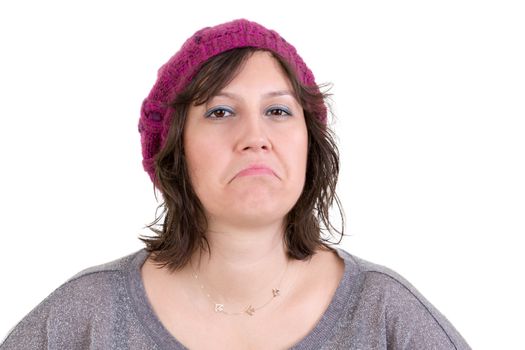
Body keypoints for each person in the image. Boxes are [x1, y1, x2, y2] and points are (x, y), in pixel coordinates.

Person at [0, 19, 471, 349]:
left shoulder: (386, 313)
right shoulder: (89, 316)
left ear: (310, 144)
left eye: (278, 111)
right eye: (220, 112)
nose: (254, 138)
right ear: (174, 149)